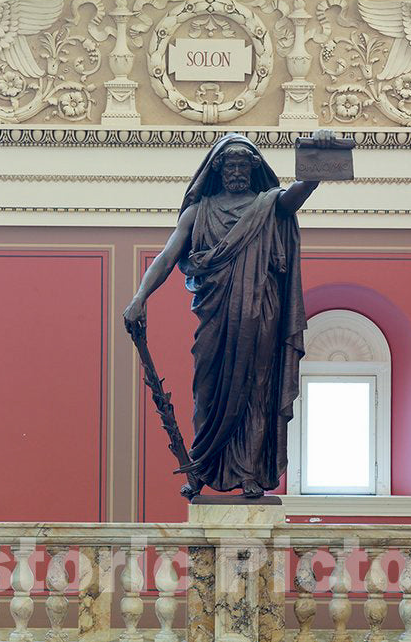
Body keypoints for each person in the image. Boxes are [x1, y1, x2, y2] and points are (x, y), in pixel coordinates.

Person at [123, 131, 332, 498]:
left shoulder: (268, 205)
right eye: (230, 164)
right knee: (207, 390)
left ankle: (249, 472)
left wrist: (315, 167)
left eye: (242, 164)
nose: (236, 170)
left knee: (255, 389)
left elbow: (296, 195)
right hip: (216, 316)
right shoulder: (197, 212)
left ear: (253, 169)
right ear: (217, 170)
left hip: (259, 312)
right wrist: (140, 297)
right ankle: (201, 469)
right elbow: (167, 257)